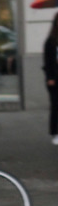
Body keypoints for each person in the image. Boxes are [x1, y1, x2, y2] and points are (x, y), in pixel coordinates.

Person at [45, 11, 58, 145]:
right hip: (54, 79)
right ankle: (54, 132)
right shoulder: (51, 41)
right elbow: (48, 61)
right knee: (55, 106)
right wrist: (50, 77)